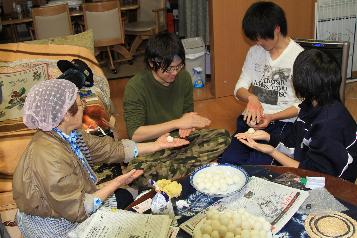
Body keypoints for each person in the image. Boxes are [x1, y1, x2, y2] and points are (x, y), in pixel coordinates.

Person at [12, 79, 189, 237]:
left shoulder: (67, 134)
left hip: (69, 203)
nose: (83, 105)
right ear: (65, 114)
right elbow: (79, 209)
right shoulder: (50, 158)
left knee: (134, 194)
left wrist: (157, 145)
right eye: (80, 103)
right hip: (56, 223)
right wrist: (116, 183)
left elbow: (110, 149)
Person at [123, 32, 230, 187]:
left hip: (180, 143)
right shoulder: (135, 87)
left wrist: (187, 126)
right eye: (169, 69)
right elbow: (135, 135)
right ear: (153, 63)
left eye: (178, 66)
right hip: (153, 148)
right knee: (135, 173)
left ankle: (177, 171)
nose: (175, 73)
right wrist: (177, 123)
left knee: (223, 136)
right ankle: (197, 169)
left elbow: (187, 114)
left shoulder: (184, 77)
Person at [237, 49, 357, 182]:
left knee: (259, 178)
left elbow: (315, 177)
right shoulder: (311, 105)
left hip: (331, 185)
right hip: (311, 169)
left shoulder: (328, 124)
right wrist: (267, 137)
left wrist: (271, 151)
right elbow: (293, 142)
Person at [220, 1, 304, 165]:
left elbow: (301, 105)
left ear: (276, 29)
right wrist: (252, 98)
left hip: (282, 124)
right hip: (254, 120)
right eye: (255, 38)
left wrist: (272, 116)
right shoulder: (254, 52)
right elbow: (239, 88)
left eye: (261, 37)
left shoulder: (298, 57)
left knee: (258, 167)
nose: (258, 42)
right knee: (229, 162)